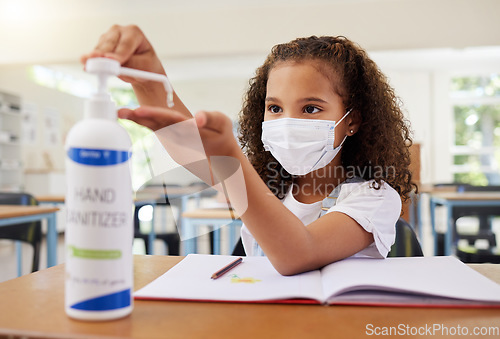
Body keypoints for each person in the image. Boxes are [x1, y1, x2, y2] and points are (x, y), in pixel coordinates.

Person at [82, 25, 416, 276]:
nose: (287, 123)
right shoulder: (268, 184)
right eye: (274, 108)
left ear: (352, 120)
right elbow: (190, 148)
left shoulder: (373, 197)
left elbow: (299, 253)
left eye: (311, 108)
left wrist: (229, 154)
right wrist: (148, 77)